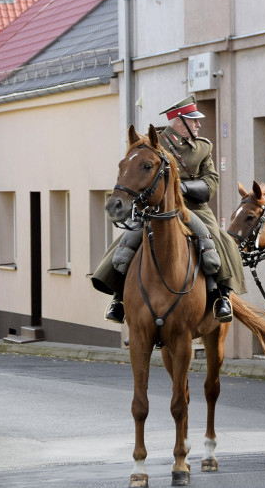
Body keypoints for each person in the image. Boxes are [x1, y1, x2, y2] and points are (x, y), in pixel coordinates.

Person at [92, 96, 247, 324]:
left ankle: (222, 295)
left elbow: (211, 181)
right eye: (193, 121)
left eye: (197, 121)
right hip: (157, 206)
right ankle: (119, 298)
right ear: (177, 121)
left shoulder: (203, 146)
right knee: (127, 241)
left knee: (218, 238)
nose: (198, 125)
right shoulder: (154, 145)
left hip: (193, 206)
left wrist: (180, 186)